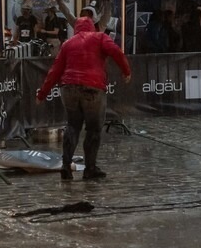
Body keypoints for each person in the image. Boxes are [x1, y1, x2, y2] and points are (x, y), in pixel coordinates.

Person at [35, 16, 132, 181]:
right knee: (93, 129)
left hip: (69, 88)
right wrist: (126, 71)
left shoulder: (68, 44)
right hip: (93, 88)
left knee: (72, 125)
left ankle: (66, 165)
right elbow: (116, 51)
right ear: (92, 27)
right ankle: (90, 168)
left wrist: (42, 94)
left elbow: (55, 71)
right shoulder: (100, 37)